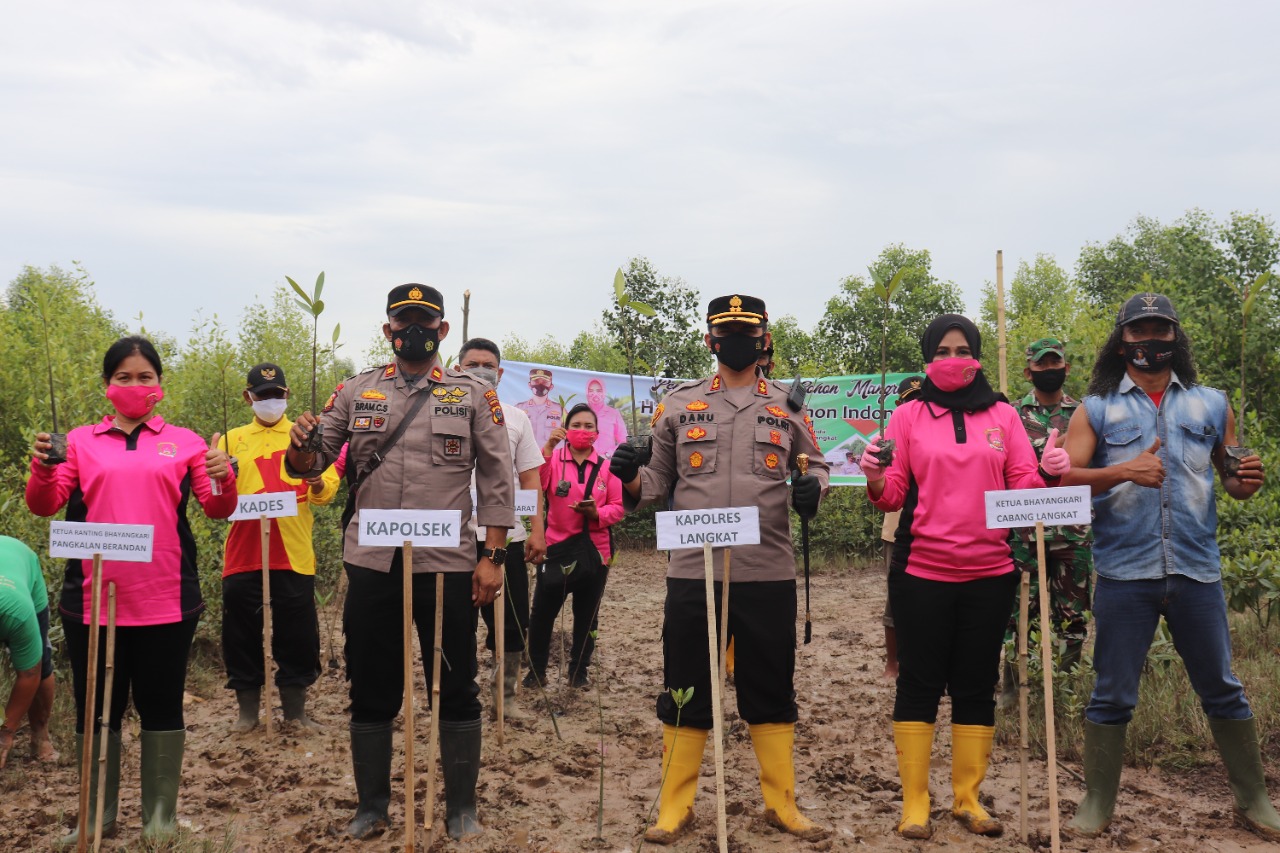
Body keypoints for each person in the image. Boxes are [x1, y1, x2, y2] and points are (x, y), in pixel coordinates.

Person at [285, 284, 514, 842]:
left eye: (424, 322)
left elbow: (497, 478)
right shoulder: (356, 391)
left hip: (448, 563)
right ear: (388, 329)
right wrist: (300, 445)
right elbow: (309, 466)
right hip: (373, 562)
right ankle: (372, 807)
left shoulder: (473, 395)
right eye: (402, 322)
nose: (413, 331)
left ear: (442, 330)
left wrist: (493, 556)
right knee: (370, 683)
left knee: (455, 683)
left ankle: (461, 809)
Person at [610, 294, 831, 843]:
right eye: (725, 333)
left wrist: (812, 489)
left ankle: (781, 804)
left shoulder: (787, 405)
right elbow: (655, 484)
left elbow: (817, 466)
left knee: (771, 687)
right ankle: (675, 807)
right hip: (693, 569)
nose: (736, 341)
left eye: (747, 333)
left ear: (764, 340)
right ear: (710, 341)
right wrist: (629, 474)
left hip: (767, 569)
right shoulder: (678, 405)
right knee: (684, 685)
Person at [1062, 293, 1278, 840]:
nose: (1150, 340)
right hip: (1124, 574)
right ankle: (1097, 802)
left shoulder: (1211, 405)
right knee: (1112, 693)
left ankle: (1253, 800)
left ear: (1175, 338)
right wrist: (1124, 471)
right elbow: (1063, 480)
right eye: (1139, 331)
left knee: (1223, 687)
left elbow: (1232, 480)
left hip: (1196, 572)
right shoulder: (1096, 408)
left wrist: (1246, 482)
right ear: (1121, 342)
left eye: (1160, 330)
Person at [861, 315, 1070, 840]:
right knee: (918, 683)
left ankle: (967, 799)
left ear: (976, 355)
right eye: (942, 351)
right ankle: (915, 803)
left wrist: (1049, 471)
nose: (953, 360)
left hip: (990, 572)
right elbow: (892, 495)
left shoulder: (1003, 414)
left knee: (976, 686)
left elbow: (1021, 485)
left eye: (963, 351)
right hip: (921, 571)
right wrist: (874, 476)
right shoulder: (907, 415)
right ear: (928, 357)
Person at [26, 335, 236, 845]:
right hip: (91, 600)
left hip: (167, 598)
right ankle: (95, 817)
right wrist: (44, 466)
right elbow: (43, 504)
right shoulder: (78, 442)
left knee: (162, 705)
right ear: (107, 384)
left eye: (145, 376)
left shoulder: (186, 442)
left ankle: (159, 821)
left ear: (159, 385)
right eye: (124, 376)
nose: (135, 385)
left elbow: (217, 508)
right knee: (97, 710)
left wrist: (224, 475)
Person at [220, 363, 340, 732]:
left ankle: (295, 712)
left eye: (276, 394)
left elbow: (325, 494)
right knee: (240, 633)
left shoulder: (306, 435)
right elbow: (216, 497)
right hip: (243, 551)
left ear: (287, 395)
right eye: (262, 395)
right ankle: (246, 714)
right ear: (248, 398)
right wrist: (218, 477)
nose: (270, 400)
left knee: (297, 634)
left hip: (293, 550)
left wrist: (317, 481)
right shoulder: (230, 440)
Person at [999, 338, 1093, 709]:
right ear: (1029, 372)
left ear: (1066, 368)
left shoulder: (1084, 413)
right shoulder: (1011, 414)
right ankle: (1014, 688)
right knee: (1020, 612)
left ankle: (1065, 692)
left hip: (1072, 531)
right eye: (1041, 365)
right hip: (1025, 529)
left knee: (1072, 615)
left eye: (1055, 363)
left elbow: (1088, 460)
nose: (1049, 370)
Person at [456, 338, 546, 718]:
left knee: (511, 623)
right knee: (456, 623)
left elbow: (530, 477)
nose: (481, 371)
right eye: (472, 364)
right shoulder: (440, 413)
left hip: (506, 537)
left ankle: (504, 699)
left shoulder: (516, 418)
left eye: (488, 365)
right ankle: (460, 698)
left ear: (501, 373)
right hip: (455, 538)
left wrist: (537, 529)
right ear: (456, 370)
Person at [524, 403, 624, 689]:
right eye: (576, 425)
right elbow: (537, 486)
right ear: (566, 430)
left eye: (588, 426)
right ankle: (536, 672)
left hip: (596, 553)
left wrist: (596, 513)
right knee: (542, 615)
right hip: (555, 549)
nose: (582, 430)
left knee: (587, 617)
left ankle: (578, 673)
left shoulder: (607, 467)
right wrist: (547, 447)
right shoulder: (553, 460)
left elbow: (618, 507)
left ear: (597, 432)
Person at [0, 536, 57, 768]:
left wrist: (6, 732)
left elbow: (29, 673)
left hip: (22, 565)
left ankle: (40, 736)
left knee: (40, 663)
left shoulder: (18, 614)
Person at [880, 375, 923, 682]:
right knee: (896, 599)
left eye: (921, 399)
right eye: (910, 400)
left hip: (934, 526)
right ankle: (892, 664)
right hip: (898, 527)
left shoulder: (943, 431)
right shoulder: (892, 436)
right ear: (899, 404)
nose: (915, 405)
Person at [515, 368, 563, 449]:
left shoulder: (560, 410)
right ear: (529, 385)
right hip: (525, 455)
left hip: (550, 455)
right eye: (536, 381)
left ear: (551, 386)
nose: (540, 385)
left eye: (545, 382)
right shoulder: (518, 408)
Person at [585, 377, 629, 458]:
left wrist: (608, 454)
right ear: (586, 393)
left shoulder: (614, 413)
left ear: (604, 392)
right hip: (584, 462)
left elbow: (624, 440)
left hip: (607, 461)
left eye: (599, 391)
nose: (595, 394)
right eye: (591, 391)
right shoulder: (581, 413)